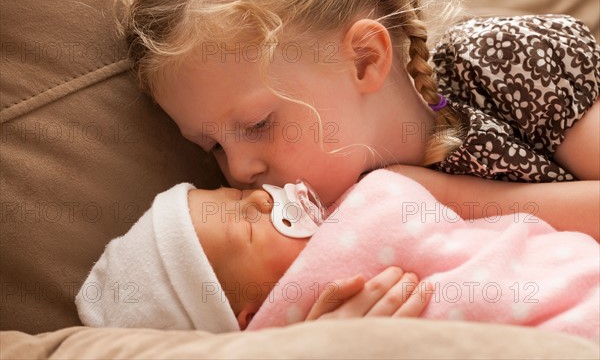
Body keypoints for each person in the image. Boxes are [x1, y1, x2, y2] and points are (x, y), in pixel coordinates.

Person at [118, 0, 599, 312]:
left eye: (258, 124)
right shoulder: (294, 234)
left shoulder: (503, 64)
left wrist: (445, 195)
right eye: (215, 146)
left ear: (366, 58)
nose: (240, 171)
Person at [75, 170, 599, 340]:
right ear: (251, 317)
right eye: (247, 223)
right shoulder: (309, 325)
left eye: (235, 197)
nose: (260, 194)